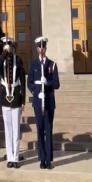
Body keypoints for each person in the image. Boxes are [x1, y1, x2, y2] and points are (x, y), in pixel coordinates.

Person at [28, 37, 60, 170]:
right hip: (37, 101)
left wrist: (47, 83)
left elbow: (57, 84)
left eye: (43, 47)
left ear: (45, 49)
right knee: (40, 130)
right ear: (37, 49)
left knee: (48, 130)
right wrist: (36, 91)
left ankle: (48, 159)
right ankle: (42, 158)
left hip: (48, 102)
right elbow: (29, 82)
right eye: (39, 47)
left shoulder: (52, 64)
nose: (41, 49)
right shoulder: (34, 64)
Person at [0, 37, 25, 169]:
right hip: (4, 98)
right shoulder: (1, 60)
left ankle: (16, 157)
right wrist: (4, 53)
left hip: (16, 98)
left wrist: (23, 99)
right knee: (8, 129)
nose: (8, 47)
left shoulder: (18, 60)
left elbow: (22, 81)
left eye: (10, 45)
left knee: (16, 129)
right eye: (6, 45)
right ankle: (10, 156)